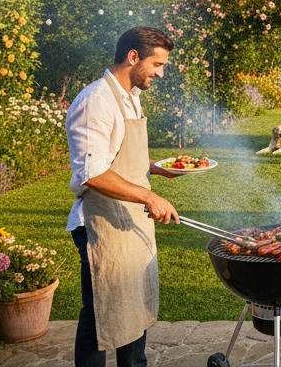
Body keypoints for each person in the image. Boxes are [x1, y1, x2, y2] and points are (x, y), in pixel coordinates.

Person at [65, 26, 180, 367]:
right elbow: (92, 173)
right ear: (133, 57)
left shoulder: (131, 96)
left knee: (135, 309)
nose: (160, 73)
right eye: (157, 65)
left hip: (129, 221)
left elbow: (116, 155)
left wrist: (154, 168)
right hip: (102, 225)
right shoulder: (96, 101)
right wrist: (148, 196)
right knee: (101, 315)